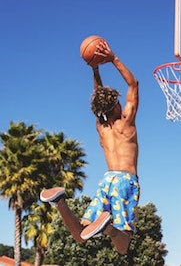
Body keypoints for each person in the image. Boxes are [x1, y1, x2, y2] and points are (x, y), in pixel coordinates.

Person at [40, 38, 140, 255]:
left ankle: (60, 202)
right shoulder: (126, 123)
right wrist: (113, 58)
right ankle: (109, 229)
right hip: (125, 181)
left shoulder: (101, 127)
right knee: (122, 246)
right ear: (116, 104)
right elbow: (133, 84)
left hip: (107, 180)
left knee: (81, 235)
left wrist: (95, 69)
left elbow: (99, 96)